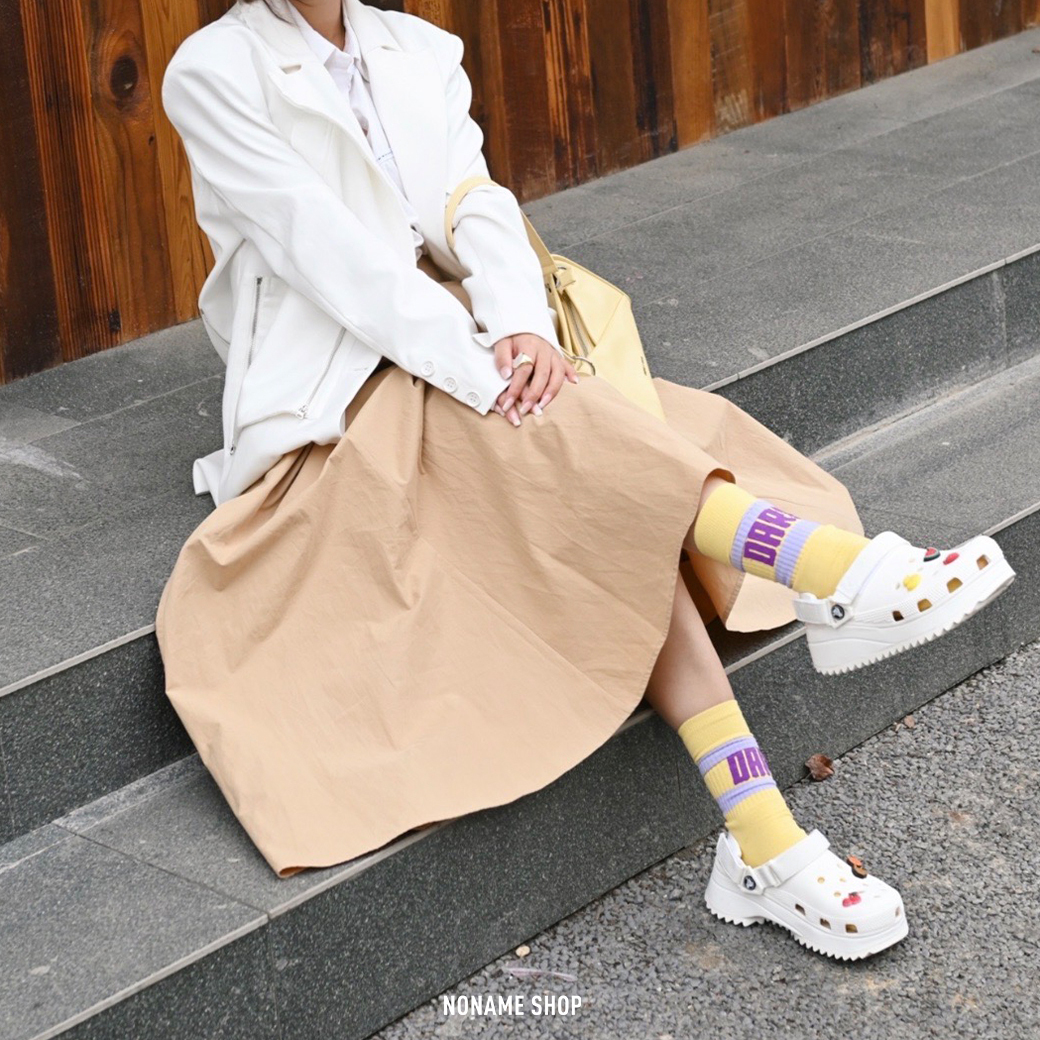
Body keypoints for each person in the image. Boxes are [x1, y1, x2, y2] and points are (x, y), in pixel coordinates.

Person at [155, 0, 1016, 963]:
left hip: (478, 343)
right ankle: (830, 585)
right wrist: (488, 371)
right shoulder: (214, 71)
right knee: (589, 472)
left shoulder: (416, 46)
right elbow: (329, 257)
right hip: (343, 379)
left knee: (601, 495)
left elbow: (474, 204)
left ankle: (768, 839)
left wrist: (521, 325)